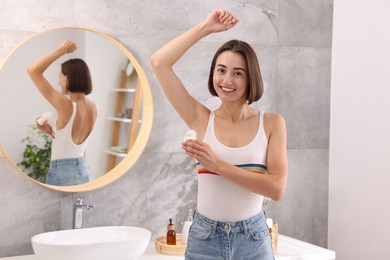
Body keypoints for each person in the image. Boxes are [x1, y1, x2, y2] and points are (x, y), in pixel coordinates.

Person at [151, 9, 288, 260]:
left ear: (251, 78)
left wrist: (217, 165)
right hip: (205, 239)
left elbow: (276, 189)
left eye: (238, 73)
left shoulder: (271, 124)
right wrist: (205, 27)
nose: (227, 80)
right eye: (221, 70)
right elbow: (159, 62)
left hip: (253, 240)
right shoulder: (200, 118)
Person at [27, 40, 98, 186]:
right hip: (83, 170)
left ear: (69, 78)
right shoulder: (94, 107)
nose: (58, 81)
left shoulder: (66, 105)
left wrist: (62, 49)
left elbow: (33, 70)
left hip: (62, 172)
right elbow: (73, 142)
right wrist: (52, 131)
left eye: (60, 76)